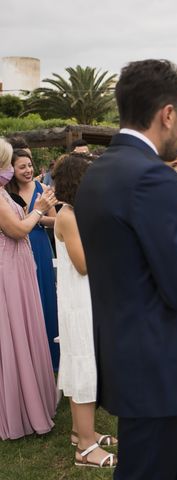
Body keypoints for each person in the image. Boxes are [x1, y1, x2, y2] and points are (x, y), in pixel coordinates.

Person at [74, 59, 177, 480]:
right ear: (167, 114)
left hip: (124, 354)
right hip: (155, 364)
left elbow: (132, 253)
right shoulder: (152, 177)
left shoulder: (98, 172)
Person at [52, 153, 117, 468]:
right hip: (79, 303)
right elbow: (83, 264)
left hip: (85, 300)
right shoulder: (68, 216)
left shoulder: (77, 213)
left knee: (85, 364)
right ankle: (86, 450)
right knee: (83, 367)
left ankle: (81, 432)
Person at [0, 137, 57, 440]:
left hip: (18, 266)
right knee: (15, 333)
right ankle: (18, 407)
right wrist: (39, 209)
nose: (11, 169)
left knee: (27, 328)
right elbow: (17, 229)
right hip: (7, 271)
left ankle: (32, 397)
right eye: (9, 163)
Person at [6, 148, 59, 368]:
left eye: (30, 166)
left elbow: (55, 220)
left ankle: (52, 357)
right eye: (22, 167)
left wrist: (36, 216)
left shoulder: (43, 188)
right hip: (16, 246)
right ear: (11, 170)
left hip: (39, 242)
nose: (28, 170)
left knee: (45, 293)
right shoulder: (6, 193)